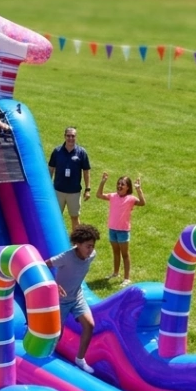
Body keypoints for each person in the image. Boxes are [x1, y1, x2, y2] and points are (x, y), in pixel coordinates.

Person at [44, 224, 100, 373]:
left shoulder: (91, 255)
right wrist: (54, 285)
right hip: (60, 300)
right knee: (57, 333)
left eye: (92, 246)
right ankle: (47, 358)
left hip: (76, 297)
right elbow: (43, 265)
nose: (91, 250)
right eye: (88, 246)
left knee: (89, 325)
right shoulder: (66, 257)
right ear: (78, 244)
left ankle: (80, 359)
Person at [96, 173, 146, 282]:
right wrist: (103, 182)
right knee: (115, 252)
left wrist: (139, 189)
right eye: (118, 184)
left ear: (128, 187)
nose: (119, 186)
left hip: (123, 231)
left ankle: (127, 278)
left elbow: (142, 203)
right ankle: (115, 273)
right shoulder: (113, 196)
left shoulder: (130, 199)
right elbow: (99, 195)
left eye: (122, 184)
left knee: (125, 254)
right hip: (112, 229)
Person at [49, 127, 91, 230]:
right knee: (56, 217)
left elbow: (86, 171)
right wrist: (47, 186)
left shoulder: (81, 153)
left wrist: (87, 189)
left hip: (74, 192)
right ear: (64, 136)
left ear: (76, 137)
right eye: (68, 136)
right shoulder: (57, 151)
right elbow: (51, 169)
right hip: (58, 190)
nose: (70, 138)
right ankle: (56, 241)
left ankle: (76, 242)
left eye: (73, 136)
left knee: (75, 217)